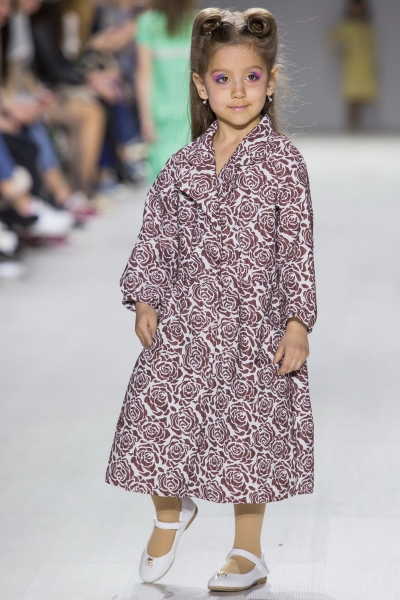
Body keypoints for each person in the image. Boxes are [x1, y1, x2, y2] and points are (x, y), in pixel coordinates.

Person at [106, 7, 317, 592]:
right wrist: (146, 299)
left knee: (248, 440)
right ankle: (169, 512)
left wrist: (298, 322)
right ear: (201, 85)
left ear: (270, 82)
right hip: (186, 322)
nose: (238, 91)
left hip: (254, 328)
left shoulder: (283, 163)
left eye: (252, 77)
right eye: (223, 78)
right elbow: (157, 235)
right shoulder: (183, 166)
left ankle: (248, 552)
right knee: (154, 415)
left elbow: (297, 246)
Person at [135, 0, 197, 183]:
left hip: (164, 114)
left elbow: (144, 74)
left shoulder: (147, 22)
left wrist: (145, 118)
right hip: (190, 112)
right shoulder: (197, 22)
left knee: (164, 182)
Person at [328, 0, 378, 130]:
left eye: (359, 9)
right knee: (351, 97)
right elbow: (331, 38)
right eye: (354, 9)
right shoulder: (346, 26)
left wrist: (373, 65)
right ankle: (351, 127)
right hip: (351, 67)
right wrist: (339, 50)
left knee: (363, 97)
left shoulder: (366, 27)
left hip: (365, 67)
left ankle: (359, 127)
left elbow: (372, 48)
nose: (357, 12)